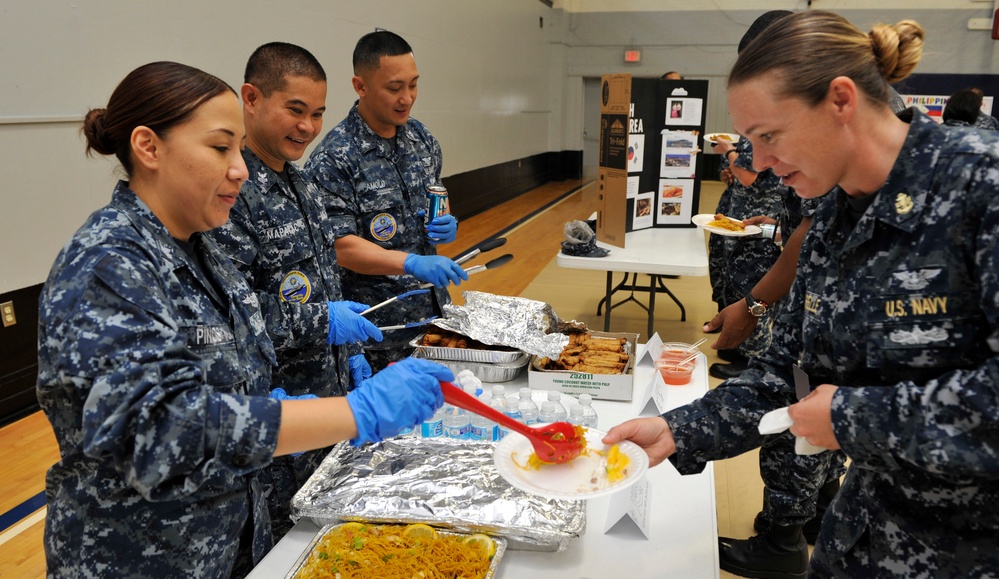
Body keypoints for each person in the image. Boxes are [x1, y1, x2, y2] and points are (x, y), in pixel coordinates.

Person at [607, 11, 999, 577]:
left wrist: (850, 417)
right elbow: (788, 373)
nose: (760, 161)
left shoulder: (979, 187)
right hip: (858, 541)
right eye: (749, 141)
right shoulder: (831, 221)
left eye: (769, 136)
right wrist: (678, 430)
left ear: (841, 100)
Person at [37, 61, 452, 578]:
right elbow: (161, 433)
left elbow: (226, 356)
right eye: (219, 148)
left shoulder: (198, 247)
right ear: (149, 148)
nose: (240, 168)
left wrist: (269, 398)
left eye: (239, 149)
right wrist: (354, 412)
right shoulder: (107, 264)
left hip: (229, 542)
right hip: (142, 559)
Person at [208, 42, 383, 541]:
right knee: (285, 549)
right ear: (252, 98)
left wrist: (345, 351)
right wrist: (321, 321)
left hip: (324, 408)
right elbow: (227, 311)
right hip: (278, 419)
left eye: (318, 114)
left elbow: (323, 282)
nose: (308, 127)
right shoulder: (231, 191)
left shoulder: (301, 184)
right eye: (295, 110)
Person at [307, 30, 466, 371]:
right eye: (394, 88)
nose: (406, 98)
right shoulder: (335, 158)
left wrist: (445, 226)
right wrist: (410, 262)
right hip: (379, 332)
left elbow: (434, 204)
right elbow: (340, 247)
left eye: (413, 85)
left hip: (434, 322)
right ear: (360, 86)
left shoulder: (423, 141)